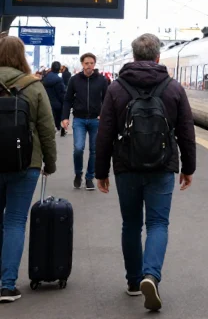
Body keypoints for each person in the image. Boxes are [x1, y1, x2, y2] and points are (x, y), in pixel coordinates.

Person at [96, 34, 196, 311]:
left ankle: (133, 281)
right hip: (163, 165)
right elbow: (186, 131)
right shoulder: (173, 88)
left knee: (130, 224)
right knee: (157, 224)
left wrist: (100, 171)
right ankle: (151, 275)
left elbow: (105, 133)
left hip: (126, 166)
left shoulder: (116, 88)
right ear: (157, 57)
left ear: (133, 56)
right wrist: (188, 167)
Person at [0, 36, 57, 303]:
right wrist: (50, 162)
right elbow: (47, 129)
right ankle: (7, 285)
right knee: (14, 221)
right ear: (22, 55)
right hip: (26, 162)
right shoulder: (33, 86)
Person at [61, 52, 109, 190]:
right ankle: (78, 174)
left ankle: (89, 178)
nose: (89, 66)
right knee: (78, 148)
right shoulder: (74, 80)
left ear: (94, 64)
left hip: (96, 120)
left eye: (91, 63)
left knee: (94, 150)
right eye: (86, 63)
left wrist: (103, 114)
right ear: (82, 64)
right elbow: (68, 100)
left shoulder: (101, 80)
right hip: (79, 119)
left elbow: (106, 100)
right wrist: (65, 117)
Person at [42, 61, 67, 138]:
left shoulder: (44, 78)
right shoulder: (58, 80)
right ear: (59, 69)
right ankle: (60, 129)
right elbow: (61, 93)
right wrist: (64, 102)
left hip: (46, 102)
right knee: (59, 117)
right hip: (57, 104)